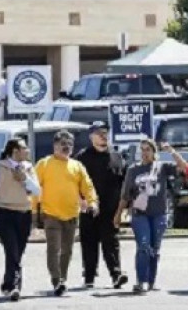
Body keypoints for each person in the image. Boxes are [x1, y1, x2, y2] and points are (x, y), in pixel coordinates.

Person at [114, 139, 188, 294]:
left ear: (154, 152)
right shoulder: (133, 169)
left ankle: (151, 281)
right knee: (143, 245)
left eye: (148, 149)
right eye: (142, 150)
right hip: (139, 214)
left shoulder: (161, 167)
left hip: (158, 213)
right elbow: (125, 195)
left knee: (155, 248)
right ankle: (141, 281)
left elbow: (185, 168)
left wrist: (171, 151)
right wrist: (118, 214)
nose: (145, 153)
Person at [33, 130, 99, 297]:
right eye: (63, 144)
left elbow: (87, 186)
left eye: (70, 144)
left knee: (67, 250)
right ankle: (57, 280)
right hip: (51, 214)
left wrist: (92, 202)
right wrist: (34, 211)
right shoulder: (44, 164)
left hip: (72, 215)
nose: (67, 147)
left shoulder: (76, 166)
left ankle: (63, 278)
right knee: (53, 248)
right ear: (55, 145)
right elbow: (33, 189)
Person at [0, 138, 41, 301]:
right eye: (24, 148)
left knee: (18, 252)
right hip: (5, 213)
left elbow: (37, 191)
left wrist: (24, 179)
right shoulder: (0, 167)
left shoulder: (28, 168)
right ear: (14, 151)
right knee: (11, 250)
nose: (27, 151)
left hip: (24, 214)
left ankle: (7, 283)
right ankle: (15, 286)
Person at [74, 122, 128, 290]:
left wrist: (123, 207)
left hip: (110, 209)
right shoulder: (82, 157)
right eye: (99, 133)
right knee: (88, 242)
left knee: (111, 242)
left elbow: (124, 183)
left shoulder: (117, 156)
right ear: (91, 136)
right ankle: (89, 276)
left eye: (105, 132)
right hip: (88, 208)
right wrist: (80, 201)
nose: (103, 136)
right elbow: (73, 183)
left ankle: (116, 274)